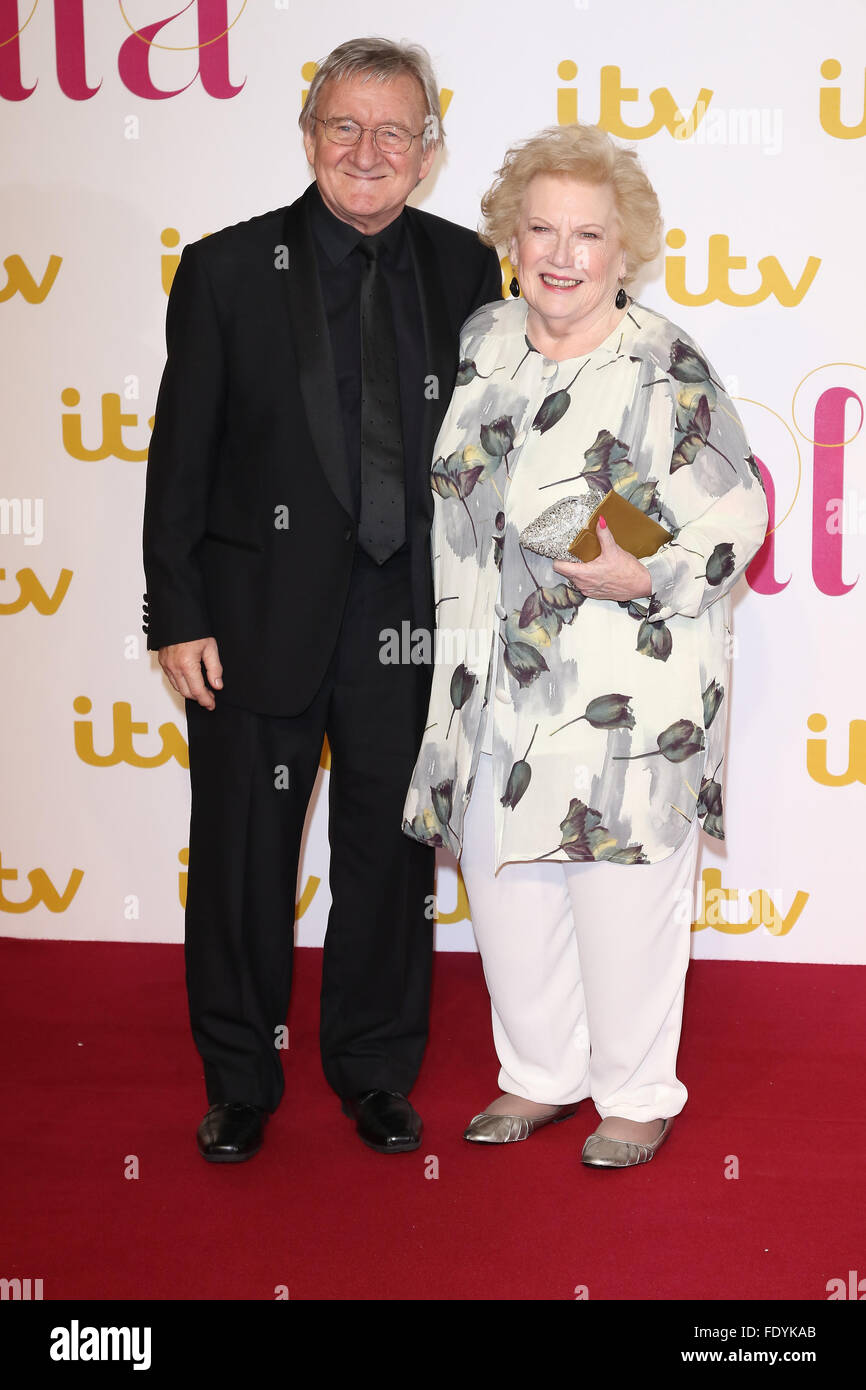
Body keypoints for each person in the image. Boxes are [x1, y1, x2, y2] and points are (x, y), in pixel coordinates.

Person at [142, 37, 502, 1163]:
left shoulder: (466, 269)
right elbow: (178, 458)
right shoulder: (226, 269)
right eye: (344, 126)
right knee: (244, 853)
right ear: (306, 138)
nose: (367, 151)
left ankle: (373, 1068)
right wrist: (175, 609)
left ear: (430, 151)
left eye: (394, 131)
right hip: (251, 619)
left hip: (407, 616)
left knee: (390, 854)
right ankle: (240, 1078)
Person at [402, 123, 769, 1168]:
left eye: (587, 235)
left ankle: (635, 1089)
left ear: (622, 251)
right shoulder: (480, 339)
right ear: (510, 237)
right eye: (541, 230)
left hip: (623, 681)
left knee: (620, 899)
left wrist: (642, 570)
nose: (560, 255)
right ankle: (537, 1075)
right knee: (510, 894)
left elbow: (734, 513)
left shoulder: (660, 362)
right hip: (486, 684)